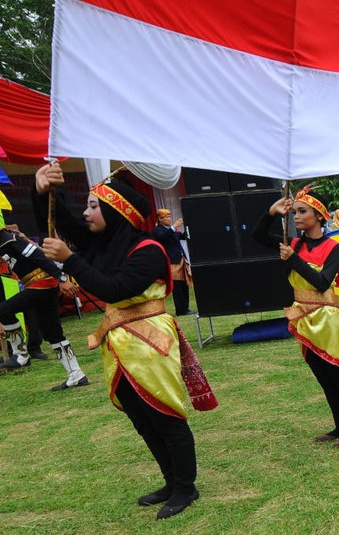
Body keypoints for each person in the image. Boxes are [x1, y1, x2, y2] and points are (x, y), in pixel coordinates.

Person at [34, 163, 214, 520]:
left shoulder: (147, 250)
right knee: (141, 418)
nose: (85, 213)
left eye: (93, 206)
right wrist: (44, 192)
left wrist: (71, 260)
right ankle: (171, 480)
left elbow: (115, 289)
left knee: (165, 414)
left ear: (116, 211)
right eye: (86, 205)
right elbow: (59, 223)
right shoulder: (102, 243)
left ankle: (186, 487)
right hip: (119, 343)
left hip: (150, 341)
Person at [253, 186, 339, 447]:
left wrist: (293, 260)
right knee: (322, 375)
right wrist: (272, 211)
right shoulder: (293, 243)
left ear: (318, 215)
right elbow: (257, 234)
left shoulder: (333, 247)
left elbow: (323, 283)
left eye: (302, 212)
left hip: (327, 318)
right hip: (304, 317)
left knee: (337, 374)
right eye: (294, 212)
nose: (296, 216)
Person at [0, 215, 88, 390]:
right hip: (40, 285)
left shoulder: (7, 239)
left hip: (42, 284)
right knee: (53, 333)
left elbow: (39, 257)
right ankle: (76, 374)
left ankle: (20, 354)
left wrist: (61, 278)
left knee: (3, 310)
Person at [152, 209, 193, 316]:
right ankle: (180, 310)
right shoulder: (158, 230)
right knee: (177, 287)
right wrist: (174, 226)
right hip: (172, 262)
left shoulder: (172, 230)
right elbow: (163, 237)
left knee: (184, 285)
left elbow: (183, 237)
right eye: (166, 217)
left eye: (170, 216)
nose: (169, 219)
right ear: (160, 219)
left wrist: (188, 226)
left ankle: (186, 308)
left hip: (181, 260)